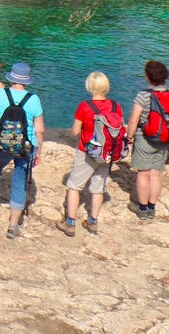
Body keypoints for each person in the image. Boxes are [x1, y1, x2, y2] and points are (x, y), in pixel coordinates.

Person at [56, 71, 120, 237]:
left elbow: (76, 131)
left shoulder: (85, 106)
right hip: (107, 153)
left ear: (90, 87)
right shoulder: (115, 106)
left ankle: (70, 223)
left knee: (74, 186)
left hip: (88, 152)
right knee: (98, 189)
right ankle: (93, 221)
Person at [0, 61, 45, 238]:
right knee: (19, 181)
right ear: (27, 80)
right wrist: (39, 151)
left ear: (11, 77)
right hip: (25, 146)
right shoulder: (33, 99)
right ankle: (13, 225)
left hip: (0, 143)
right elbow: (40, 130)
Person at [126, 60, 169, 220]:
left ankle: (143, 209)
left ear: (148, 77)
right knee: (155, 174)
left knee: (143, 174)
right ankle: (152, 208)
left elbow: (133, 120)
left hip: (145, 138)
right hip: (165, 139)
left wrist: (129, 136)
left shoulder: (143, 95)